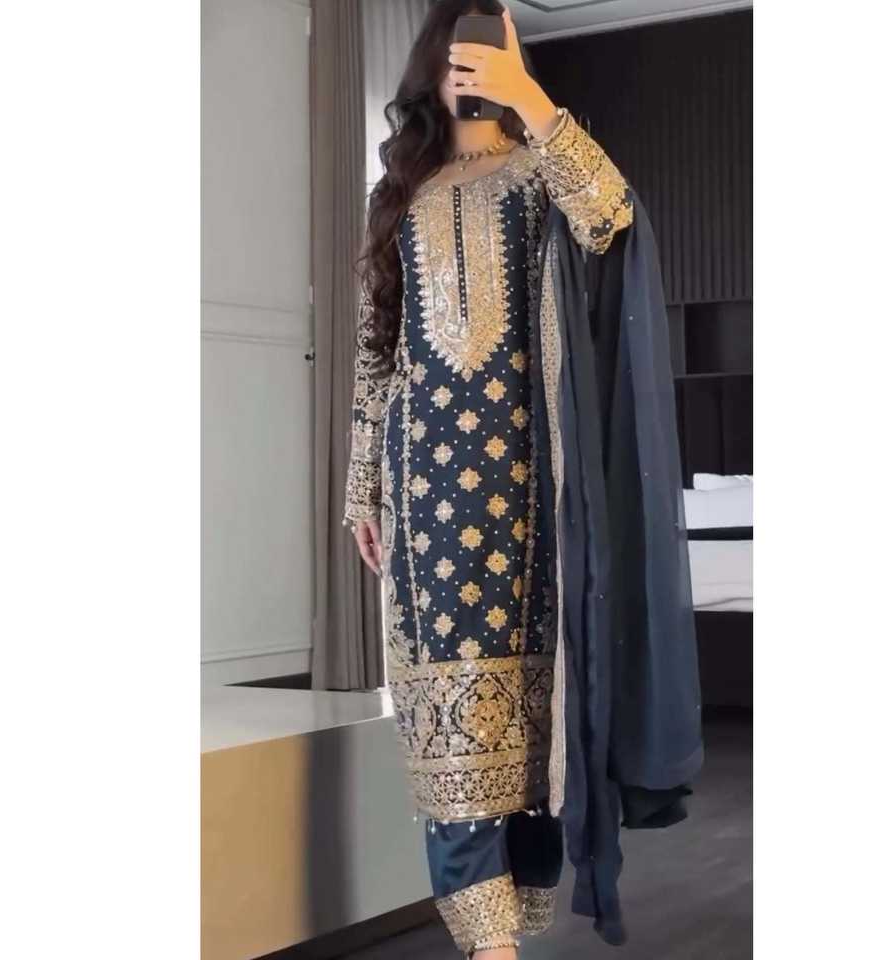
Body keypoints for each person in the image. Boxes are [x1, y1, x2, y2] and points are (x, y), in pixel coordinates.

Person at [343, 2, 701, 957]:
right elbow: (376, 354)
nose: (471, 72)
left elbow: (612, 217)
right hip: (424, 490)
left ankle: (509, 926)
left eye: (491, 55)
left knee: (532, 724)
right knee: (446, 722)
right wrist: (361, 486)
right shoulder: (399, 194)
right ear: (431, 65)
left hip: (531, 491)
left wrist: (533, 106)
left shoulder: (543, 168)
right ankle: (487, 946)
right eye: (459, 56)